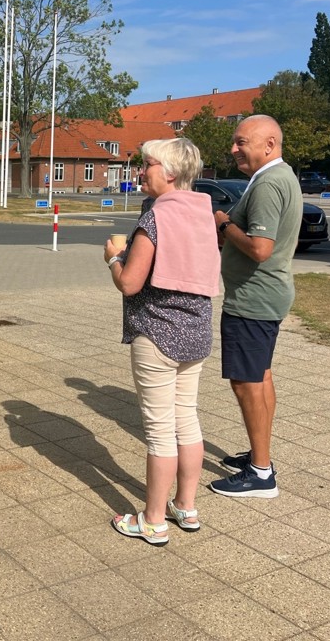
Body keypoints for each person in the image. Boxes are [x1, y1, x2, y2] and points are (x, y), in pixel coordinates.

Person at [104, 138, 220, 545]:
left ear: (169, 172)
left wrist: (115, 257)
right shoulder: (204, 213)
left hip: (156, 333)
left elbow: (131, 284)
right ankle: (184, 505)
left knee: (158, 431)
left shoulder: (155, 220)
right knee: (187, 418)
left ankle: (152, 519)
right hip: (196, 331)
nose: (140, 171)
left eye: (147, 164)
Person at [208, 114, 302, 498]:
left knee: (247, 381)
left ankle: (261, 474)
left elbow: (261, 249)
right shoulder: (278, 177)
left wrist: (223, 224)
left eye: (241, 141)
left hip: (253, 299)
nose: (233, 148)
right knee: (259, 375)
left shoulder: (269, 184)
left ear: (269, 144)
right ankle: (259, 454)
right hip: (264, 295)